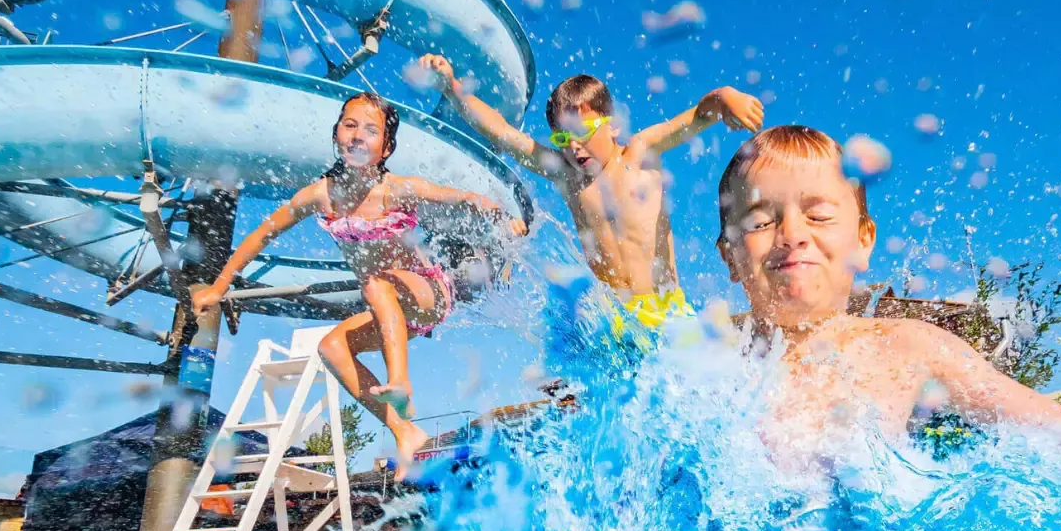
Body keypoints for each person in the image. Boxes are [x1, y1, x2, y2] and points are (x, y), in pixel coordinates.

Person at [713, 124, 1061, 531]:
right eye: (760, 220)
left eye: (819, 215)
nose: (791, 234)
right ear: (731, 257)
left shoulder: (907, 348)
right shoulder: (709, 372)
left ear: (863, 240)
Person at [193, 92, 527, 472]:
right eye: (349, 125)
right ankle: (405, 433)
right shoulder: (321, 195)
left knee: (375, 285)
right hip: (394, 317)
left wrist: (502, 217)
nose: (357, 135)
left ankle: (399, 382)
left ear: (385, 148)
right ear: (336, 134)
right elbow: (261, 235)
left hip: (427, 293)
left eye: (371, 130)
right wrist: (220, 287)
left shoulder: (397, 190)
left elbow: (463, 198)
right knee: (332, 347)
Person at [418, 53, 763, 334]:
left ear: (612, 125)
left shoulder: (639, 154)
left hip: (665, 312)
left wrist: (724, 97)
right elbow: (505, 133)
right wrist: (453, 89)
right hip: (615, 319)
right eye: (563, 138)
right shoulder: (570, 179)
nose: (574, 146)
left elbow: (693, 118)